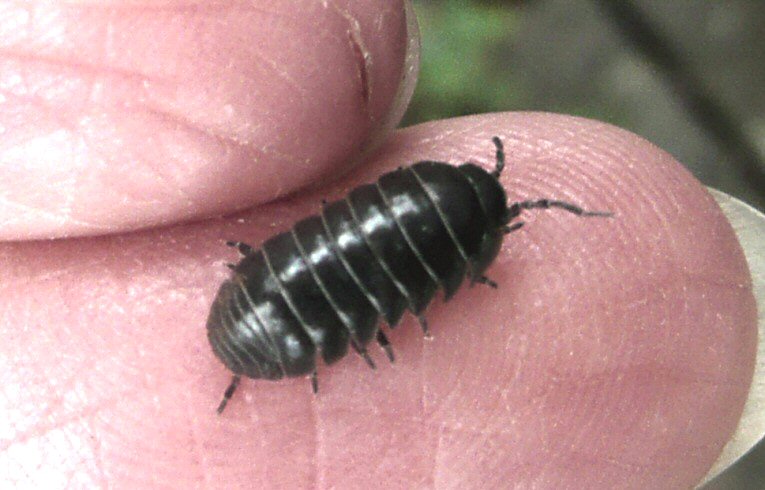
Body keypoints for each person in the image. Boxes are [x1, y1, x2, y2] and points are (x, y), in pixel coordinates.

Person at [0, 2, 756, 488]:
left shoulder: (433, 222)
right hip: (272, 312)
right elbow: (408, 280)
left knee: (361, 271)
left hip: (274, 303)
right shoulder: (458, 254)